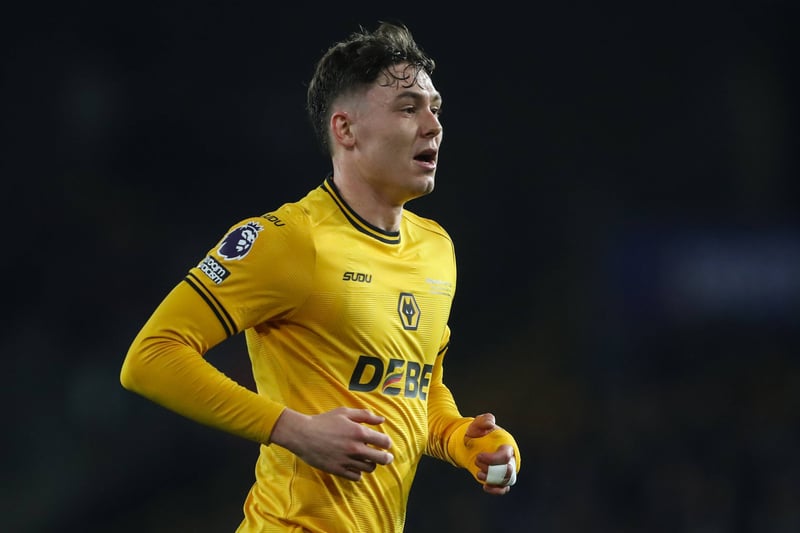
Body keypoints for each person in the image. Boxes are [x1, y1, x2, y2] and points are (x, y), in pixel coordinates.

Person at [120, 20, 521, 532]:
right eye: (408, 109)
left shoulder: (436, 248)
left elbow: (417, 388)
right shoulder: (289, 239)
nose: (433, 126)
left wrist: (463, 440)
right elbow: (151, 357)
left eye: (435, 109)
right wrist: (293, 430)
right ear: (345, 130)